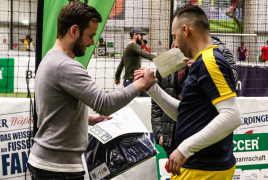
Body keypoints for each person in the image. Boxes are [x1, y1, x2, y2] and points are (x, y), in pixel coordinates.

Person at [27, 2, 157, 180]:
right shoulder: (66, 66)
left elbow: (54, 109)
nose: (92, 42)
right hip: (58, 169)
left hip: (48, 163)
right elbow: (104, 103)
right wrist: (141, 84)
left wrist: (88, 118)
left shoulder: (50, 58)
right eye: (90, 35)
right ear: (74, 30)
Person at [136, 4, 242, 180]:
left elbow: (232, 116)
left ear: (185, 30)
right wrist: (152, 88)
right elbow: (187, 113)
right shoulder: (203, 62)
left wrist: (184, 149)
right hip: (198, 167)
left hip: (203, 169)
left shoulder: (209, 62)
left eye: (174, 36)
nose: (175, 44)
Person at [152, 36, 238, 159]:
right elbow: (157, 100)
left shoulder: (220, 51)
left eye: (177, 34)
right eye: (173, 36)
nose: (175, 42)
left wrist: (202, 69)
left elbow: (231, 84)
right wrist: (159, 132)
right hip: (174, 136)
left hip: (206, 135)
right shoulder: (171, 55)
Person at [114, 27, 156, 97]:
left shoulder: (128, 47)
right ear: (135, 35)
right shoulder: (133, 46)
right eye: (141, 35)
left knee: (147, 98)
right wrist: (161, 59)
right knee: (140, 102)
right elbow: (146, 54)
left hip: (132, 81)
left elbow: (121, 64)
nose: (142, 38)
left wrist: (117, 77)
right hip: (132, 81)